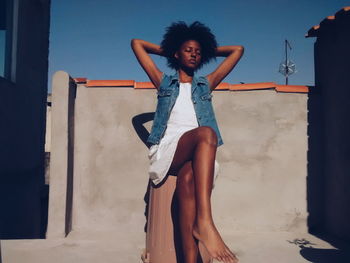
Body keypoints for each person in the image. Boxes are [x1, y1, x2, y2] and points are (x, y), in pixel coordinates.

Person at [131, 21, 244, 263]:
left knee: (188, 183)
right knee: (207, 133)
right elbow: (137, 44)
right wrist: (172, 49)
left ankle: (191, 256)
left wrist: (203, 49)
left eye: (198, 52)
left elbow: (238, 50)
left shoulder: (206, 83)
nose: (194, 54)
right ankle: (206, 222)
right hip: (170, 149)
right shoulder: (163, 82)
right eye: (188, 50)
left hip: (198, 154)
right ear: (176, 53)